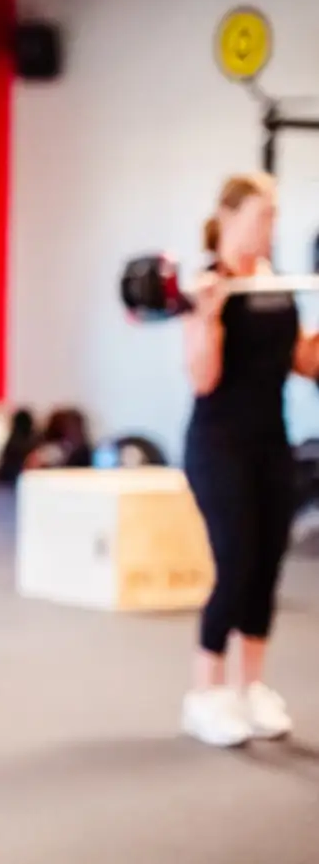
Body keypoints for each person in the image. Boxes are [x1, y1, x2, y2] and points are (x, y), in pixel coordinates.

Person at [179, 171, 319, 748]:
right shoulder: (208, 285)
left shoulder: (277, 282)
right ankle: (205, 691)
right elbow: (202, 376)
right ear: (229, 217)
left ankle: (251, 686)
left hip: (270, 441)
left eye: (274, 218)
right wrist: (209, 317)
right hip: (218, 446)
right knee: (235, 560)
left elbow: (300, 362)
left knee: (267, 561)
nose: (269, 228)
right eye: (260, 216)